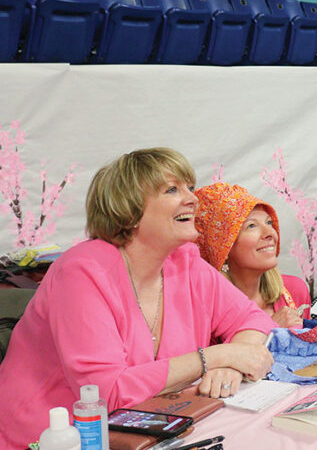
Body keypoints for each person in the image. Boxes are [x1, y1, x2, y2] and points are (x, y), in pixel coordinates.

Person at [0, 148, 276, 449]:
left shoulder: (183, 260)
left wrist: (232, 364)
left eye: (190, 187)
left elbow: (250, 318)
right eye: (172, 189)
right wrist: (216, 357)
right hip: (50, 438)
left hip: (146, 431)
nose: (192, 199)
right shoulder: (82, 271)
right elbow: (107, 393)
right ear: (128, 211)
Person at [194, 183, 311, 329]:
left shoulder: (296, 290)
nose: (270, 233)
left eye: (269, 222)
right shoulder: (207, 312)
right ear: (223, 248)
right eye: (251, 226)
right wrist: (270, 328)